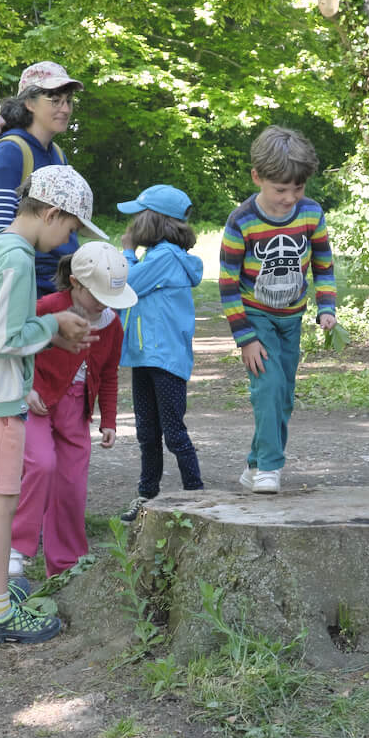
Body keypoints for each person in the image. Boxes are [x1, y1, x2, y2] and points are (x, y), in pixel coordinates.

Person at [0, 165, 99, 645]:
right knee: (1, 504)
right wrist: (53, 326)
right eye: (70, 228)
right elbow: (3, 340)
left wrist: (47, 330)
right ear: (51, 214)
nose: (67, 240)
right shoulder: (16, 259)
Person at [220, 126, 337, 494]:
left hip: (292, 319)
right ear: (257, 177)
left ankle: (255, 462)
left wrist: (326, 306)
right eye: (280, 190)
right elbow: (227, 283)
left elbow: (323, 264)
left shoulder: (311, 214)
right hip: (256, 317)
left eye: (297, 189)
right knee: (268, 386)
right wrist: (246, 338)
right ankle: (271, 468)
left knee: (283, 396)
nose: (289, 198)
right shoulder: (242, 220)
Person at [11, 244, 134, 577]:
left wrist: (109, 419)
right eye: (97, 295)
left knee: (71, 487)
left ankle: (66, 565)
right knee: (42, 464)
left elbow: (109, 374)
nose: (104, 303)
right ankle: (16, 546)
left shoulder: (112, 324)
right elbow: (16, 345)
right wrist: (27, 387)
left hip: (76, 410)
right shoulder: (48, 308)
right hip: (38, 402)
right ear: (76, 282)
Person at [117, 184, 205, 519]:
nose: (133, 223)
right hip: (146, 356)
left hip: (164, 360)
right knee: (147, 433)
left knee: (173, 433)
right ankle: (147, 496)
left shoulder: (166, 257)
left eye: (139, 215)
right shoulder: (157, 255)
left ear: (154, 219)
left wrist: (127, 251)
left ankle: (197, 497)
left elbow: (126, 286)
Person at [0, 61, 81, 291]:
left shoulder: (58, 154)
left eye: (68, 101)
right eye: (55, 101)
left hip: (60, 282)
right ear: (29, 103)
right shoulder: (9, 152)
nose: (65, 109)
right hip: (26, 285)